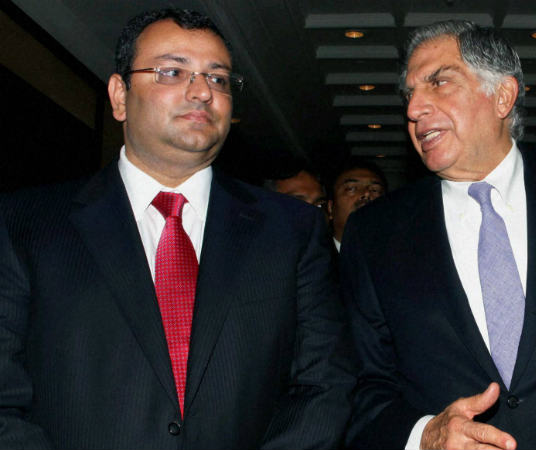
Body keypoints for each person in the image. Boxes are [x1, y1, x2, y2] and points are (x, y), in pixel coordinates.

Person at [0, 8, 354, 449]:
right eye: (172, 72)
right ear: (119, 96)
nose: (202, 91)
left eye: (218, 78)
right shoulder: (25, 223)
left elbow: (325, 383)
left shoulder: (292, 230)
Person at [342, 20, 536, 450]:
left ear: (502, 96)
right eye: (409, 94)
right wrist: (425, 435)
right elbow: (361, 385)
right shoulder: (374, 235)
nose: (414, 108)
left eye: (439, 82)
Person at [327, 157, 387, 252]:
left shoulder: (400, 256)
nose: (366, 193)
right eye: (351, 189)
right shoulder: (313, 256)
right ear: (330, 208)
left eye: (375, 190)